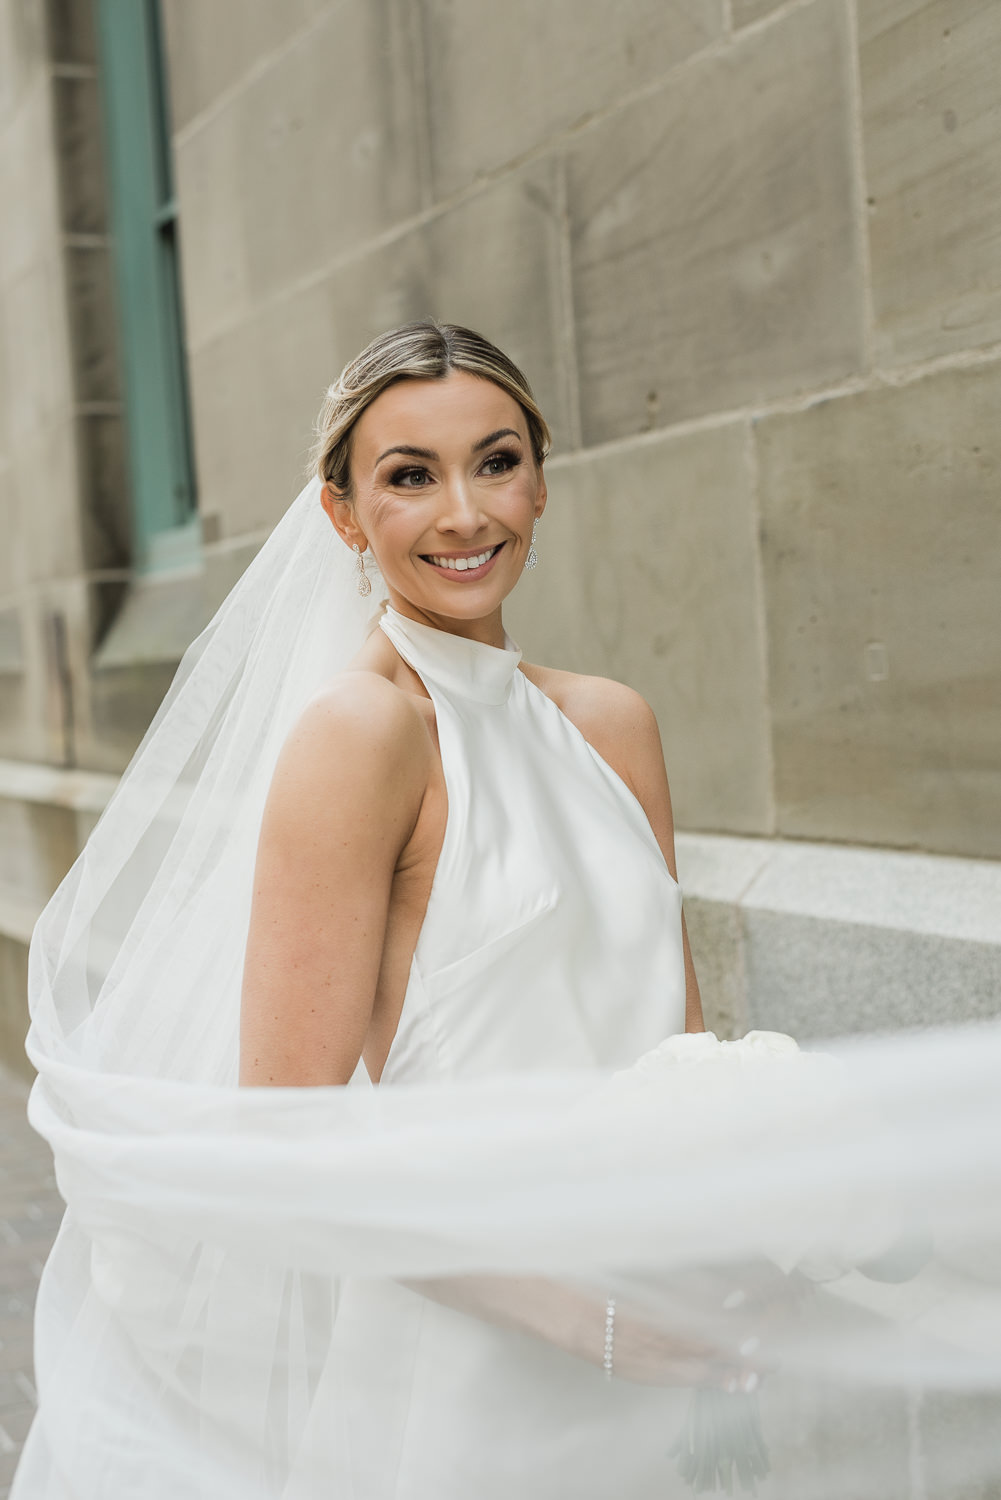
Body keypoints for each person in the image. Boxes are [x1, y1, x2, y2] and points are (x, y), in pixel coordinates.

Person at [14, 323, 1001, 1500]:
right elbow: (280, 1146)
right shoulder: (363, 735)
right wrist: (586, 1320)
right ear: (341, 515)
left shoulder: (612, 724)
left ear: (540, 478)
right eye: (407, 476)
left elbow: (678, 1060)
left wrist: (760, 1227)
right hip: (467, 1378)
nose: (464, 515)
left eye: (493, 461)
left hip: (666, 1353)